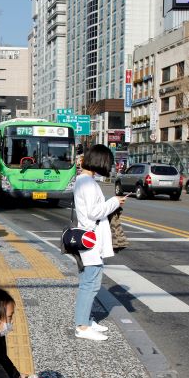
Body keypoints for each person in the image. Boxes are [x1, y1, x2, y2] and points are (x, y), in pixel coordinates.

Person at [73, 144, 126, 341]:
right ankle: (82, 326)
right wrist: (114, 202)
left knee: (91, 282)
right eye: (108, 162)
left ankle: (86, 319)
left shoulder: (84, 180)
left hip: (90, 237)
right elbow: (94, 212)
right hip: (91, 239)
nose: (109, 166)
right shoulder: (87, 183)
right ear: (100, 161)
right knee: (90, 284)